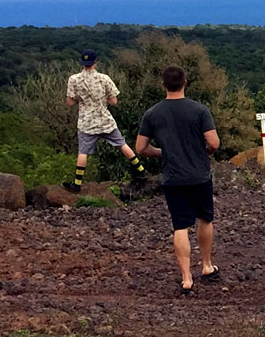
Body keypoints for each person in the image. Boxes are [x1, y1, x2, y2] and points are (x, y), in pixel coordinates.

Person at [134, 66, 220, 294]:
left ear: (163, 84)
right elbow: (214, 143)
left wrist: (163, 152)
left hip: (173, 176)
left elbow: (140, 148)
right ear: (185, 83)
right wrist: (203, 152)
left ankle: (186, 277)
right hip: (199, 175)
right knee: (205, 219)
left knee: (180, 226)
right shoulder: (200, 110)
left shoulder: (152, 114)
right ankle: (207, 265)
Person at [64, 49, 149, 193]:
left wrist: (82, 99)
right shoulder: (104, 78)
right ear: (95, 62)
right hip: (105, 120)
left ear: (82, 63)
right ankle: (141, 171)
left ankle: (77, 184)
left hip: (86, 122)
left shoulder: (74, 79)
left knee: (83, 152)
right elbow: (114, 101)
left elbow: (70, 102)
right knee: (121, 144)